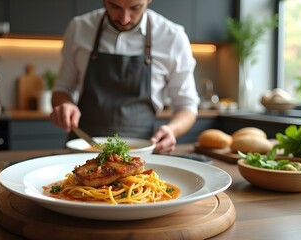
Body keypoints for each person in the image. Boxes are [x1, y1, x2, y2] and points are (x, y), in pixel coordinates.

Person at [50, 0, 200, 154]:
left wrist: (172, 130)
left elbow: (187, 106)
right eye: (114, 6)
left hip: (141, 153)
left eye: (135, 8)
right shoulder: (79, 28)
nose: (124, 18)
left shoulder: (173, 37)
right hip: (83, 149)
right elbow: (62, 89)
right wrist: (64, 104)